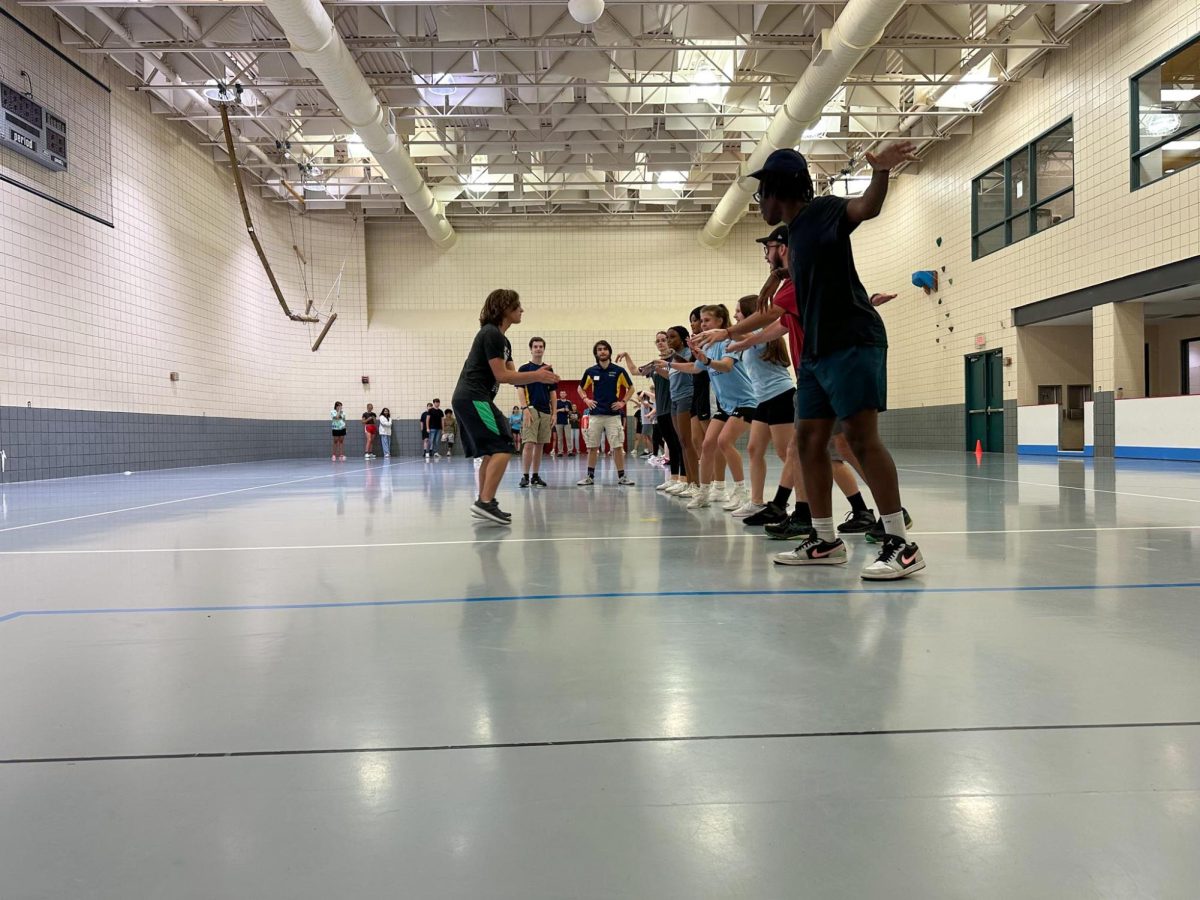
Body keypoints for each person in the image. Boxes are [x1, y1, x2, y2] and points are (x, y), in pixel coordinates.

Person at [734, 143, 924, 579]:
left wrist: (879, 172)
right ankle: (823, 539)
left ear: (778, 190)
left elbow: (866, 209)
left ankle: (900, 543)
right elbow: (806, 278)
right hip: (817, 353)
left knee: (859, 439)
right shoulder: (795, 235)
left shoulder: (823, 211)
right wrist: (778, 274)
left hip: (853, 340)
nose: (758, 203)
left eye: (762, 193)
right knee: (808, 442)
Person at [451, 288, 559, 524]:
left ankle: (484, 500)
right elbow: (502, 375)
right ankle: (485, 502)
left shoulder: (503, 340)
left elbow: (513, 374)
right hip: (473, 397)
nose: (522, 310)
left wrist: (536, 375)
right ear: (505, 309)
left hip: (474, 398)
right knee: (504, 443)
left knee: (492, 450)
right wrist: (538, 377)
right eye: (518, 306)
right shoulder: (491, 334)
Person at [669, 305, 754, 510]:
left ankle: (742, 491)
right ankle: (704, 492)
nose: (703, 324)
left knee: (725, 442)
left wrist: (706, 360)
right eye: (702, 320)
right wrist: (667, 365)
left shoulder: (731, 341)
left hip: (746, 402)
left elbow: (725, 366)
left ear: (720, 322)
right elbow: (695, 368)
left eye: (707, 320)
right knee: (707, 445)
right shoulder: (707, 347)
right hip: (726, 406)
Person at [729, 293, 795, 519]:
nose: (735, 315)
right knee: (754, 449)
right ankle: (756, 501)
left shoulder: (760, 334)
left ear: (749, 314)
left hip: (781, 395)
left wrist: (721, 330)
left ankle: (801, 501)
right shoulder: (750, 338)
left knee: (786, 453)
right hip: (763, 400)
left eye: (738, 311)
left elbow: (741, 332)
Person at [620, 337, 685, 492]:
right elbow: (636, 371)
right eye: (658, 340)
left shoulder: (676, 360)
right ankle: (674, 478)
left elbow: (674, 376)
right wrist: (628, 356)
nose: (661, 342)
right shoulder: (655, 363)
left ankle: (684, 479)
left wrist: (659, 367)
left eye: (664, 339)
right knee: (670, 442)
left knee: (678, 444)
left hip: (674, 407)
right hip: (661, 409)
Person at [577, 340, 635, 486]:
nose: (602, 351)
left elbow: (631, 388)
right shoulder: (591, 371)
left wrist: (622, 402)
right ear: (596, 353)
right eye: (599, 349)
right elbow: (580, 388)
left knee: (617, 446)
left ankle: (622, 477)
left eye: (605, 349)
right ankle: (589, 477)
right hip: (595, 415)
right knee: (592, 447)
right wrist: (586, 400)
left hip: (613, 416)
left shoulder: (618, 371)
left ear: (609, 352)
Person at [518, 337, 557, 487]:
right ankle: (525, 476)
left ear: (544, 349)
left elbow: (553, 393)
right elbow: (520, 390)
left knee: (540, 445)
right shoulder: (524, 369)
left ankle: (535, 476)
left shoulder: (549, 369)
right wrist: (525, 409)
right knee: (528, 444)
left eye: (541, 346)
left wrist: (554, 413)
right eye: (535, 346)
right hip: (531, 410)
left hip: (546, 412)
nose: (538, 349)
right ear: (531, 349)